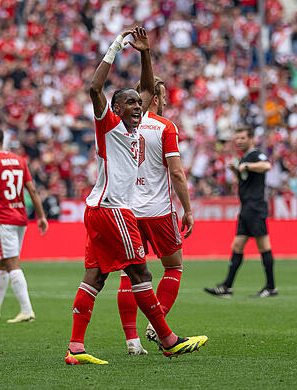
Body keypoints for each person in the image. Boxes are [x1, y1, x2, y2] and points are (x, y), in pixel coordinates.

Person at [65, 27, 207, 365]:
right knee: (141, 274)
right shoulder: (109, 124)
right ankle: (168, 339)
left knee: (95, 278)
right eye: (129, 103)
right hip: (114, 210)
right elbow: (94, 87)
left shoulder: (135, 125)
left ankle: (75, 349)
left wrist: (144, 52)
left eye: (138, 103)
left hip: (101, 208)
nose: (137, 106)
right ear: (115, 107)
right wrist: (115, 47)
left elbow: (146, 89)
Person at [116, 76, 194, 355]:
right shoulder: (165, 127)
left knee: (130, 275)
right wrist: (188, 209)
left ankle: (132, 342)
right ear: (157, 99)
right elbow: (176, 172)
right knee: (173, 266)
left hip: (126, 211)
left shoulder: (121, 127)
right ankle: (157, 325)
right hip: (158, 211)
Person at [0, 127, 48, 323]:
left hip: (4, 219)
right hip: (21, 218)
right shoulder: (20, 160)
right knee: (1, 262)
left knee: (11, 263)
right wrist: (41, 216)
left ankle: (27, 310)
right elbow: (32, 190)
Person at [205, 127, 276, 298]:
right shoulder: (244, 157)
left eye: (242, 138)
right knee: (237, 246)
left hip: (255, 207)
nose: (239, 141)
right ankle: (227, 287)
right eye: (237, 138)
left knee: (264, 246)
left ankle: (271, 287)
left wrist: (246, 166)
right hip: (246, 208)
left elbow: (267, 165)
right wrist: (237, 170)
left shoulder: (254, 155)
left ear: (251, 138)